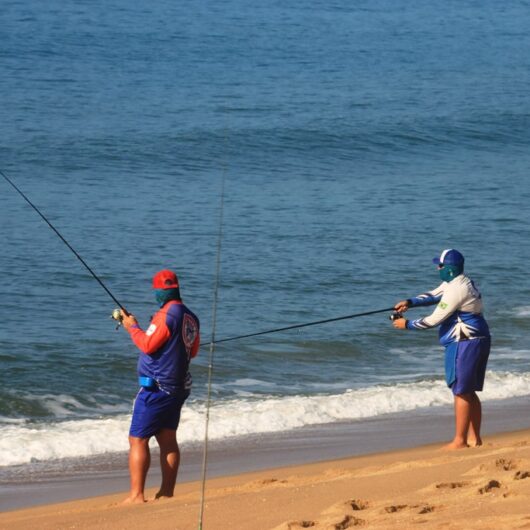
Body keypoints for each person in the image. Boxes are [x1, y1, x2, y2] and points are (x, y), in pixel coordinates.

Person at [392, 249, 490, 450]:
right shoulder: (462, 282)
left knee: (461, 391)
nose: (438, 268)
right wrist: (410, 302)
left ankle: (460, 441)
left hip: (464, 341)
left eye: (441, 265)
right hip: (479, 338)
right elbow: (434, 294)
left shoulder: (456, 290)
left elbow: (434, 320)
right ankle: (475, 439)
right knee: (469, 391)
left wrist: (407, 324)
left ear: (450, 269)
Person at [119, 269, 200, 503]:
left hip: (157, 388)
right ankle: (166, 492)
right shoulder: (190, 317)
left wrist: (132, 327)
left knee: (138, 439)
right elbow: (192, 351)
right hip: (178, 388)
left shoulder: (166, 315)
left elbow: (146, 344)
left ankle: (136, 495)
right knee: (167, 439)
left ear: (159, 291)